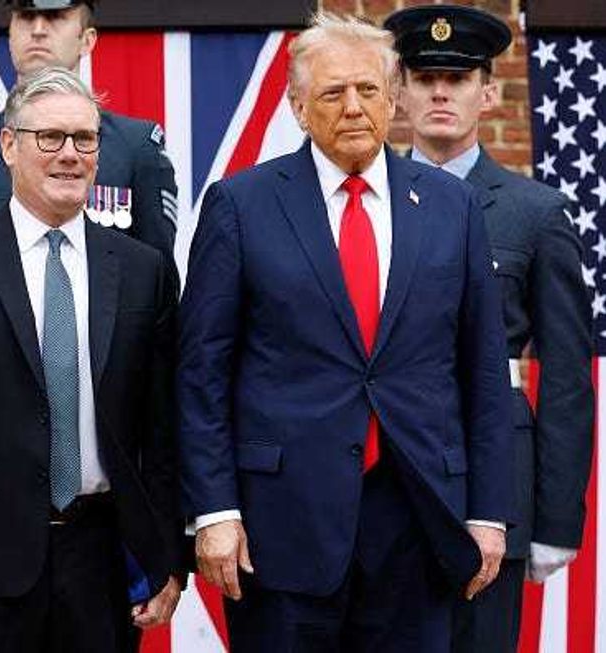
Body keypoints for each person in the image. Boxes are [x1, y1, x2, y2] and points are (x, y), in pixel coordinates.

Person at [178, 13, 514, 652]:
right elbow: (202, 371)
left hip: (419, 517)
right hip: (281, 525)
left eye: (368, 89)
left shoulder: (453, 207)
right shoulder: (242, 205)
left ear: (394, 99)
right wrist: (216, 512)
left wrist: (487, 512)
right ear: (299, 106)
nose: (353, 107)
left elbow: (483, 371)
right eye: (332, 93)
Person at [0, 66, 183, 652]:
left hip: (103, 563)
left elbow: (162, 424)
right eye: (49, 137)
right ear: (9, 145)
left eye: (85, 139)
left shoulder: (140, 270)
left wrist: (168, 554)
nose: (69, 154)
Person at [385, 6, 595, 652]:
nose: (440, 92)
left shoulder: (537, 213)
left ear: (489, 92)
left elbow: (565, 377)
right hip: (385, 481)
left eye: (457, 77)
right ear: (400, 91)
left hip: (494, 480)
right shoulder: (366, 200)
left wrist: (556, 518)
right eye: (424, 77)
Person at [0, 0, 178, 287]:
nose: (37, 30)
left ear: (87, 40)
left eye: (54, 17)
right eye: (25, 17)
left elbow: (158, 285)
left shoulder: (136, 148)